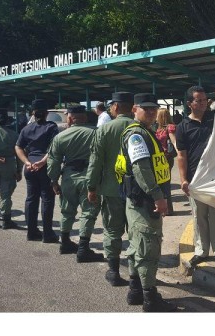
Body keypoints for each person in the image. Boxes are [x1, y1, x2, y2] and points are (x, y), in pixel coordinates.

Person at [117, 93, 176, 312]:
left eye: (154, 108)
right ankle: (150, 299)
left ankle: (135, 290)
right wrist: (158, 196)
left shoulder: (145, 132)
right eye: (146, 108)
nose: (151, 112)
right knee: (147, 248)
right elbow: (141, 168)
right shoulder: (136, 135)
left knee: (136, 245)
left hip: (139, 200)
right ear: (134, 109)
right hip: (145, 200)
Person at [176, 86, 215, 270]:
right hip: (196, 181)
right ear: (189, 104)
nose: (202, 103)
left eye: (204, 100)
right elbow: (182, 155)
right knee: (199, 218)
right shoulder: (183, 127)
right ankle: (201, 251)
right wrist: (183, 179)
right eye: (198, 100)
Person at [86, 91, 134, 286]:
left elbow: (95, 162)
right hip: (136, 191)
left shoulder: (104, 130)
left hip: (111, 188)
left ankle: (113, 271)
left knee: (112, 230)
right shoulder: (140, 128)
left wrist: (91, 186)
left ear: (115, 107)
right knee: (135, 232)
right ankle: (136, 275)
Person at [47, 105, 104, 263]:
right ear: (85, 117)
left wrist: (53, 181)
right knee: (89, 212)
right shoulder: (96, 133)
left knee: (67, 211)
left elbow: (53, 161)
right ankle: (83, 248)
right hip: (89, 178)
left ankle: (64, 242)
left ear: (70, 118)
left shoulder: (60, 136)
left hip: (68, 178)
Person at [15, 99, 59, 243]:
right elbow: (53, 148)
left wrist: (27, 162)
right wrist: (42, 162)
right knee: (47, 199)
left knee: (31, 198)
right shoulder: (51, 127)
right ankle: (47, 233)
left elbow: (18, 147)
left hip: (30, 167)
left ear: (33, 113)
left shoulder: (26, 129)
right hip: (44, 167)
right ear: (47, 113)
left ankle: (32, 231)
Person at [155, 108, 177, 215]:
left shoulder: (170, 128)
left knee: (165, 183)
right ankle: (166, 208)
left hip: (167, 158)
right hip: (160, 159)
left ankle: (168, 209)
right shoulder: (158, 128)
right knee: (162, 182)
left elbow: (174, 141)